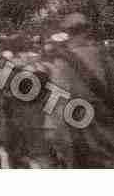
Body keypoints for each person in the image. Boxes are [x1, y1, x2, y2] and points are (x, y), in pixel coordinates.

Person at [40, 12, 114, 168]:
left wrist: (61, 149)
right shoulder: (106, 59)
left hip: (85, 145)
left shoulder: (64, 64)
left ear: (67, 33)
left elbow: (58, 112)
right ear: (88, 31)